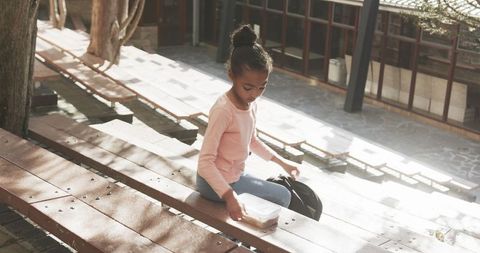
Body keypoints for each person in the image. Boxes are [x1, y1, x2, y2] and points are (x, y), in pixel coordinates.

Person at [196, 24, 300, 221]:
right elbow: (204, 163)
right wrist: (229, 196)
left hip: (233, 177)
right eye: (248, 87)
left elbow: (251, 140)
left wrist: (283, 163)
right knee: (283, 195)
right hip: (213, 183)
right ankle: (239, 239)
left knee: (277, 191)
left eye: (262, 87)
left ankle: (239, 236)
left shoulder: (250, 104)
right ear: (231, 76)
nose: (255, 94)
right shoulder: (223, 111)